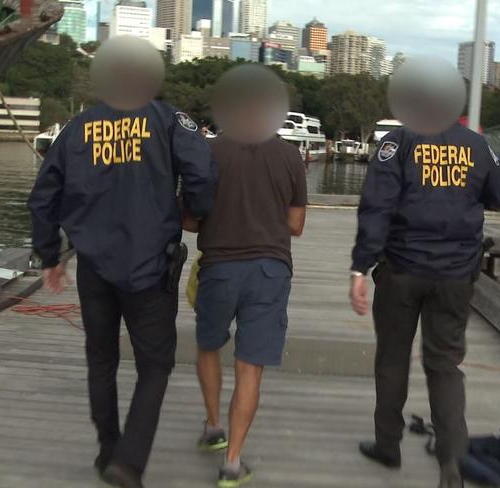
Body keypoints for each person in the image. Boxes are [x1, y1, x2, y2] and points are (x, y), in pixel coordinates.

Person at [27, 36, 217, 488]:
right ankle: (128, 462)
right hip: (150, 266)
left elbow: (42, 199)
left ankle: (108, 449)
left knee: (101, 360)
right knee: (156, 364)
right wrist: (195, 209)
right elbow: (203, 173)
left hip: (94, 266)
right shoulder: (169, 120)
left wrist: (51, 256)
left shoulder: (77, 128)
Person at [350, 123, 500, 488]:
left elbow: (376, 206)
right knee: (445, 366)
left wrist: (360, 265)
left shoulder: (399, 141)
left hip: (401, 270)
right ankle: (451, 464)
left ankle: (388, 445)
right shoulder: (475, 144)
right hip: (455, 274)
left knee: (392, 359)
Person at [184, 65, 307, 488]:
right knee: (249, 367)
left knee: (208, 344)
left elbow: (191, 220)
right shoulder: (290, 155)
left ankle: (214, 426)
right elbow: (296, 224)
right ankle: (233, 462)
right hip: (270, 271)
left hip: (218, 268)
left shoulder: (209, 153)